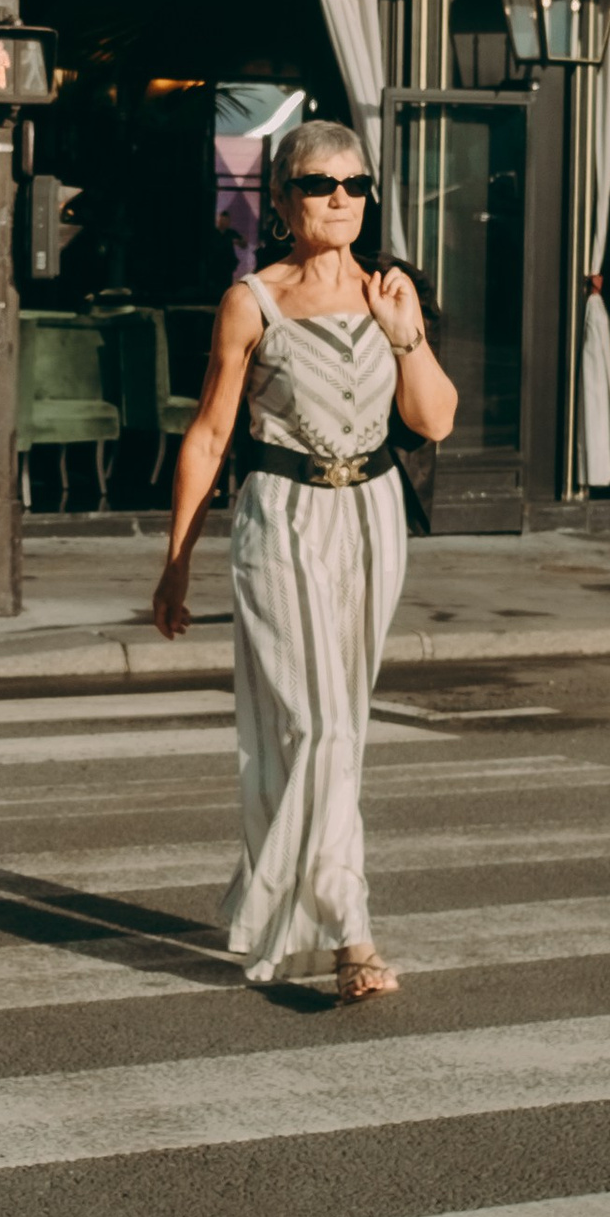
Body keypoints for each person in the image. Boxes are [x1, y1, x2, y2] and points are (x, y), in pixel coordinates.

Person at [151, 120, 458, 1004]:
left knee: (336, 728)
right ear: (283, 200)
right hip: (280, 518)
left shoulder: (390, 292)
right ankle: (350, 931)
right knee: (323, 727)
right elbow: (211, 436)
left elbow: (433, 421)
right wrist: (177, 562)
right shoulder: (254, 299)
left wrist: (406, 334)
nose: (341, 198)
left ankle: (286, 903)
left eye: (356, 185)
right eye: (321, 183)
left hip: (371, 518)